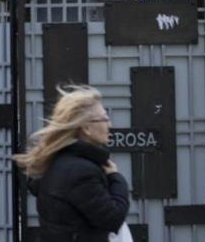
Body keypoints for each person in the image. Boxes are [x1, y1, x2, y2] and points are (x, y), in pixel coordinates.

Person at [15, 86, 129, 242]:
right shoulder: (81, 172)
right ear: (86, 128)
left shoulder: (55, 161)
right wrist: (116, 178)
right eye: (105, 118)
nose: (110, 125)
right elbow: (113, 219)